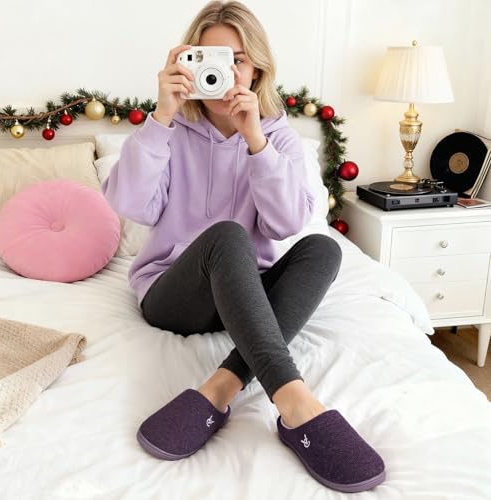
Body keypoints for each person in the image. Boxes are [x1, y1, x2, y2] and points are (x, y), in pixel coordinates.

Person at [101, 0, 385, 493]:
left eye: (236, 60)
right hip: (177, 295)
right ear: (186, 63)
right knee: (227, 235)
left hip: (246, 294)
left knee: (324, 249)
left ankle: (221, 386)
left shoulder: (277, 136)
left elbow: (286, 223)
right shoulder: (170, 128)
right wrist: (161, 116)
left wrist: (257, 142)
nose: (224, 72)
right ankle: (294, 401)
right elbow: (131, 205)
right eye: (207, 58)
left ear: (257, 69)